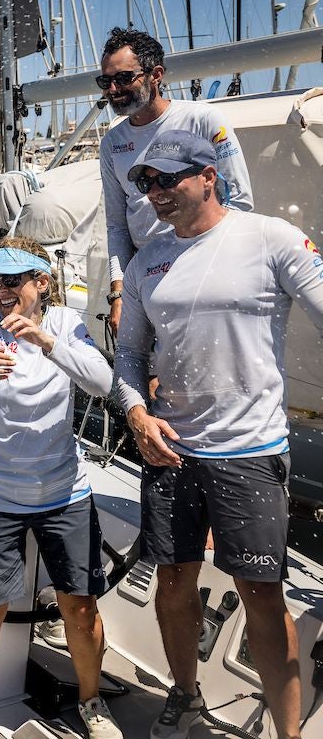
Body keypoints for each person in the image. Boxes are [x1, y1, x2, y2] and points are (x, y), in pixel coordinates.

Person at [115, 131, 323, 739]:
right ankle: (185, 694)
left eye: (168, 180)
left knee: (262, 594)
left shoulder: (269, 238)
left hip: (251, 452)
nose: (155, 194)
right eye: (145, 183)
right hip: (171, 449)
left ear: (208, 175)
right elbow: (129, 353)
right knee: (172, 581)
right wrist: (135, 413)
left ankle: (287, 733)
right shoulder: (146, 260)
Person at [0, 238, 121, 739]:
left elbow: (102, 383)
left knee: (79, 607)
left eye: (12, 280)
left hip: (64, 494)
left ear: (42, 282)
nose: (1, 291)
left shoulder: (64, 325)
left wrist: (46, 341)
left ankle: (91, 702)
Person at [97, 27, 253, 335]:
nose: (113, 89)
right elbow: (117, 225)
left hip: (205, 271)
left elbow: (239, 201)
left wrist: (216, 272)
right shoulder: (112, 143)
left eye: (124, 78)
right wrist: (119, 293)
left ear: (156, 74)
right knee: (153, 378)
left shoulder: (204, 120)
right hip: (148, 278)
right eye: (106, 81)